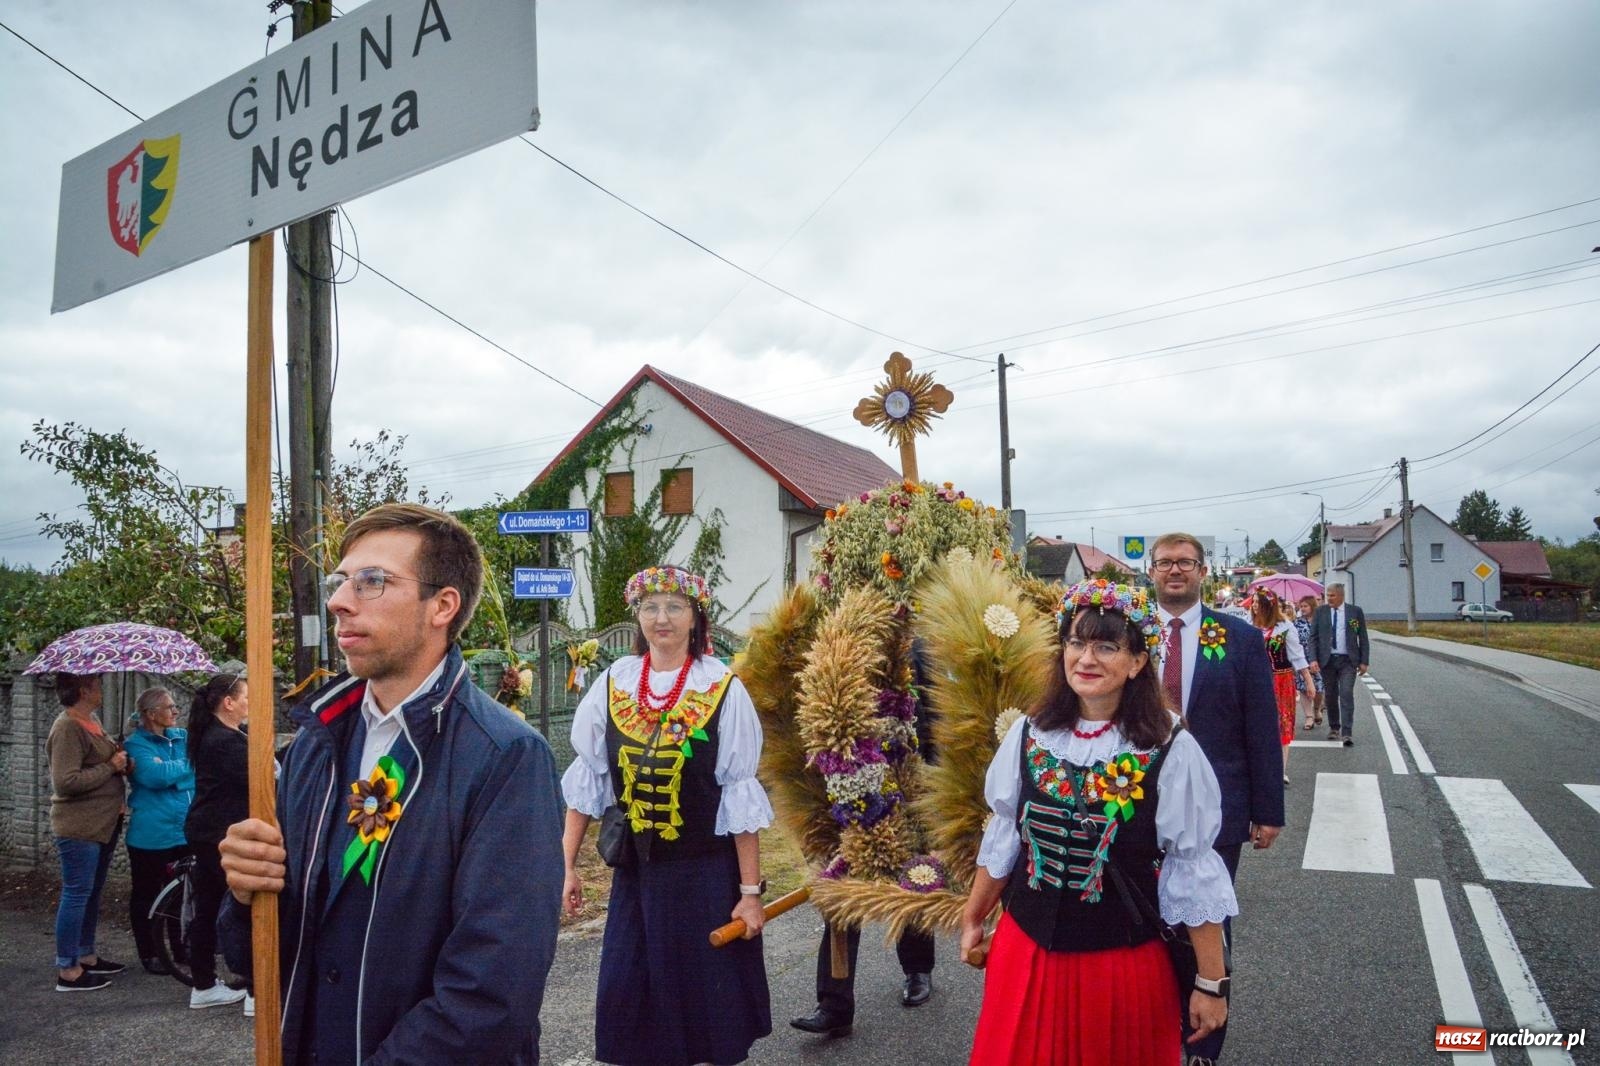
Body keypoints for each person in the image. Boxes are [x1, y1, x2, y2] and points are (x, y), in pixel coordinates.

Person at [217, 503, 563, 1064]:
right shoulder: (315, 745)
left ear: (442, 606)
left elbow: (492, 992)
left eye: (372, 580)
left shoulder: (506, 758)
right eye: (341, 581)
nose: (338, 600)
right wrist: (243, 893)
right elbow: (257, 959)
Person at [961, 581, 1236, 1065]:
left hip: (1121, 967)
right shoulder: (1030, 735)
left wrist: (1211, 984)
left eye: (1106, 646)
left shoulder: (1169, 747)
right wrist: (974, 916)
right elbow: (1005, 836)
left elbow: (1193, 870)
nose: (1086, 658)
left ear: (1136, 662)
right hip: (1025, 954)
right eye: (1076, 642)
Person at [562, 565, 773, 1066]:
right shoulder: (614, 682)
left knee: (703, 1006)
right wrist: (567, 865)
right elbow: (588, 779)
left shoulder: (721, 687)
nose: (662, 618)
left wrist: (749, 896)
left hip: (704, 875)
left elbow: (738, 799)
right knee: (630, 993)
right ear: (637, 615)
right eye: (651, 607)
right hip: (636, 876)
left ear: (695, 617)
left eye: (675, 607)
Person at [1149, 533, 1281, 1066]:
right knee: (1148, 922)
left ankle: (1204, 1043)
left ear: (1203, 571)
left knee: (1205, 920)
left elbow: (1261, 727)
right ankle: (1156, 1029)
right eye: (1164, 564)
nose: (1174, 571)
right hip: (1136, 803)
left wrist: (1268, 809)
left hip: (1216, 812)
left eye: (1185, 563)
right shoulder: (1129, 635)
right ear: (1151, 572)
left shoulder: (1242, 639)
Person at [792, 639, 938, 1039]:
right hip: (842, 782)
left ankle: (917, 970)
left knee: (910, 880)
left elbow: (933, 720)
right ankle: (834, 1004)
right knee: (840, 891)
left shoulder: (913, 648)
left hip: (906, 776)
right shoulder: (830, 645)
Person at [47, 671, 129, 992]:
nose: (101, 690)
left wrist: (119, 758)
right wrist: (110, 767)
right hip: (79, 826)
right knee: (77, 892)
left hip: (102, 823)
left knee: (91, 892)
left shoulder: (91, 722)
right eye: (97, 685)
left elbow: (104, 761)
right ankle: (68, 969)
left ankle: (86, 955)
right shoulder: (67, 726)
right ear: (83, 690)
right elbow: (65, 782)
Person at [182, 673, 252, 1011]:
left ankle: (204, 984)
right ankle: (255, 990)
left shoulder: (228, 734)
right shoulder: (222, 741)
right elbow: (263, 773)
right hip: (218, 835)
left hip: (208, 831)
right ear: (229, 703)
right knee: (245, 905)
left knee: (208, 907)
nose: (249, 703)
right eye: (245, 697)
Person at [124, 686, 195, 975]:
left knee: (183, 895)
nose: (176, 711)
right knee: (147, 894)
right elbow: (155, 777)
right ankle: (149, 952)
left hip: (184, 831)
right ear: (152, 714)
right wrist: (185, 770)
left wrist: (175, 772)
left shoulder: (183, 738)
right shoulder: (135, 745)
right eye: (170, 707)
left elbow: (192, 769)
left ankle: (180, 948)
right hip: (151, 834)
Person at [1248, 590, 1314, 786]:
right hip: (1255, 682)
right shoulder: (1248, 627)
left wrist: (1308, 681)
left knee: (1283, 724)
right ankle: (1259, 768)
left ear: (1268, 606)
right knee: (1258, 725)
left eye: (1257, 603)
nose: (1254, 606)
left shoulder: (1285, 627)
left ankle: (1280, 770)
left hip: (1281, 680)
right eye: (1253, 603)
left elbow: (1297, 656)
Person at [1311, 583, 1370, 747]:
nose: (1328, 598)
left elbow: (1362, 636)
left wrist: (1364, 661)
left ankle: (1347, 732)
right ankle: (1334, 727)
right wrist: (1313, 659)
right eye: (1327, 595)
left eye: (1331, 595)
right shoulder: (1321, 612)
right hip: (1327, 660)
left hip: (1348, 661)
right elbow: (1313, 637)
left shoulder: (1354, 613)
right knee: (1330, 695)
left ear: (1341, 596)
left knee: (1346, 693)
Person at [1292, 596, 1324, 730]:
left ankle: (1317, 709)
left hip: (1318, 657)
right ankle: (1309, 717)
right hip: (1301, 656)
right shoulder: (1297, 623)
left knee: (1319, 687)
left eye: (1306, 606)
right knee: (1304, 688)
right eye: (1301, 606)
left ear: (1312, 606)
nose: (1303, 608)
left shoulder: (1321, 621)